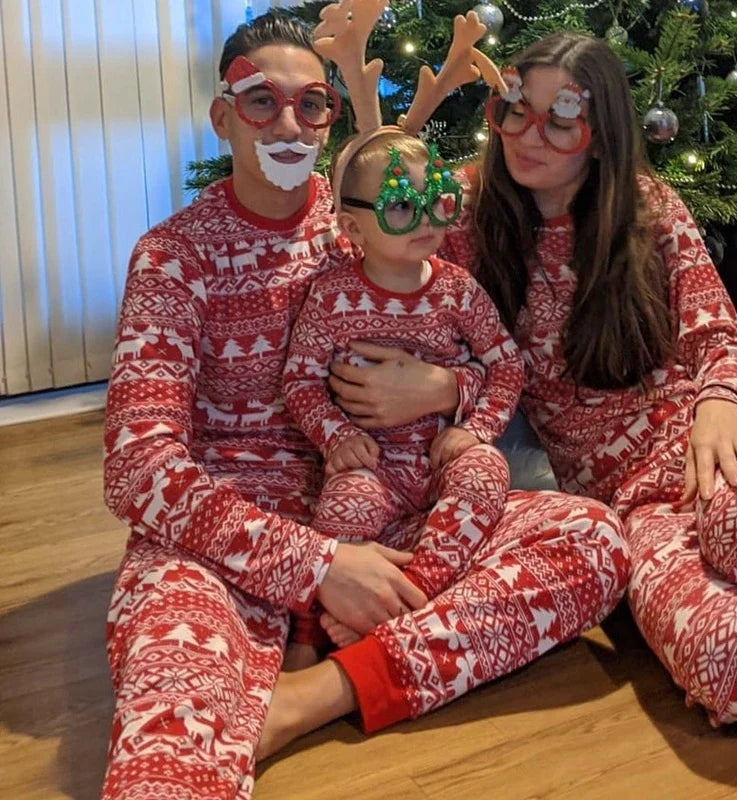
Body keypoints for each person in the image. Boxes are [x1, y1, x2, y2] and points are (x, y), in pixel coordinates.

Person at [101, 11, 629, 798]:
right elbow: (138, 470)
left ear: (330, 118)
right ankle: (311, 656)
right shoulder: (173, 257)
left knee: (592, 540)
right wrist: (316, 565)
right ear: (221, 117)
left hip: (399, 505)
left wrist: (451, 391)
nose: (289, 122)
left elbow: (494, 345)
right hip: (226, 544)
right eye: (260, 102)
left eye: (311, 103)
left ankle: (321, 691)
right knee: (166, 760)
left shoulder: (388, 208)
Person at [434, 31, 737, 726]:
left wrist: (721, 403)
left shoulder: (649, 207)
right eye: (515, 109)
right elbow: (370, 225)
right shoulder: (466, 217)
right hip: (636, 504)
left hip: (729, 431)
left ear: (600, 139)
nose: (527, 134)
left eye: (561, 121)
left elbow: (719, 334)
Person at [282, 130, 524, 651]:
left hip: (442, 459)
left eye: (437, 200)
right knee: (346, 504)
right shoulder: (331, 296)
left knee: (488, 471)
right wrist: (335, 437)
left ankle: (417, 593)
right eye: (399, 207)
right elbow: (300, 379)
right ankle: (306, 634)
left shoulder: (458, 289)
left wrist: (477, 430)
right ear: (352, 227)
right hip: (374, 465)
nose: (428, 220)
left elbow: (506, 365)